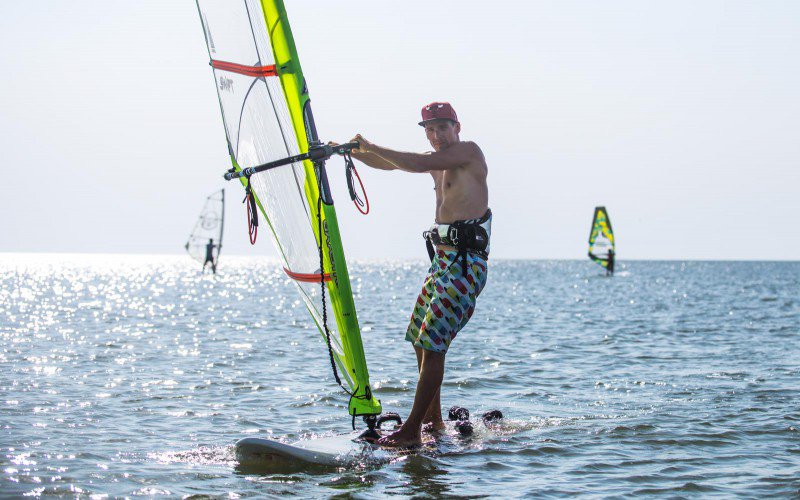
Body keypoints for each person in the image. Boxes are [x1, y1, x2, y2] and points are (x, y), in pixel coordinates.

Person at [347, 102, 491, 447]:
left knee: (433, 345)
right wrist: (352, 153)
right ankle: (433, 422)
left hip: (465, 265)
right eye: (430, 129)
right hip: (442, 263)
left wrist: (370, 145)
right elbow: (391, 163)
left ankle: (411, 431)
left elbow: (416, 162)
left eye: (442, 127)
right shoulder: (436, 163)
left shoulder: (468, 153)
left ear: (457, 127)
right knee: (418, 338)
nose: (436, 135)